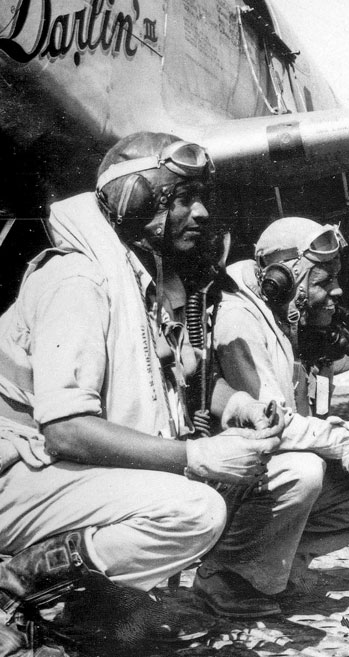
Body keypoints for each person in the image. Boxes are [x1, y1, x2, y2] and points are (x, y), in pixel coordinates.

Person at [0, 132, 280, 653]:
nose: (199, 214)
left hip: (50, 476)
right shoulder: (80, 281)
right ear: (135, 201)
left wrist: (237, 405)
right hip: (18, 475)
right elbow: (65, 430)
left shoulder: (138, 283)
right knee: (194, 511)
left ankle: (87, 612)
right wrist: (198, 455)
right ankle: (21, 593)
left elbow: (180, 373)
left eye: (201, 200)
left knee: (235, 484)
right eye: (180, 200)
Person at [198, 216, 349, 615]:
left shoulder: (291, 319)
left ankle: (273, 565)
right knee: (303, 470)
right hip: (222, 476)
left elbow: (312, 420)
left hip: (254, 477)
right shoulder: (240, 321)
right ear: (282, 280)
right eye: (322, 281)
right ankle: (224, 574)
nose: (337, 291)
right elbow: (274, 427)